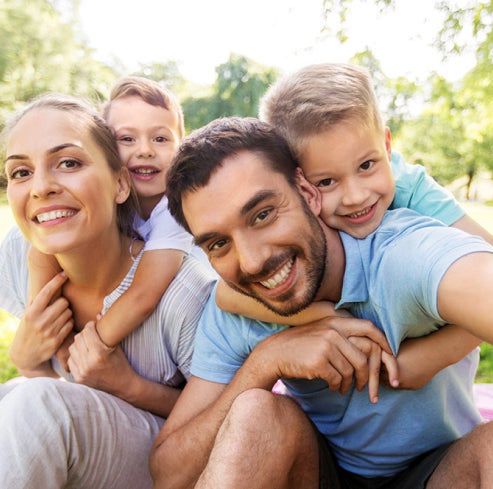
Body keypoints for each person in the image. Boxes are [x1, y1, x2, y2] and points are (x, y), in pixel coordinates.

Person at [150, 117, 493, 489]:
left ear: (307, 191)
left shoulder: (400, 256)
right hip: (321, 472)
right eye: (219, 244)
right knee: (254, 412)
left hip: (442, 471)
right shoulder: (237, 309)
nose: (250, 262)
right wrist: (266, 361)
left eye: (263, 215)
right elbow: (169, 474)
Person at [215, 62, 493, 391]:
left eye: (366, 165)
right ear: (298, 184)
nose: (356, 196)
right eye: (327, 181)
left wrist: (433, 356)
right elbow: (226, 296)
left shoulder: (408, 185)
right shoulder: (294, 218)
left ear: (387, 147)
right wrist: (330, 320)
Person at [0, 93, 216, 488]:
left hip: (168, 451)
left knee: (37, 406)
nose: (41, 187)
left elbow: (220, 414)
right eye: (20, 172)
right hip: (85, 432)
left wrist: (125, 385)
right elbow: (58, 385)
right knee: (12, 397)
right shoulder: (20, 252)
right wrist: (29, 361)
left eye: (68, 163)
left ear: (120, 183)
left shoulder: (184, 286)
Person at [26, 76, 198, 351]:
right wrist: (40, 324)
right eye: (127, 138)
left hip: (184, 325)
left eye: (161, 138)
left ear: (181, 147)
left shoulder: (176, 208)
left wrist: (86, 349)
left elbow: (144, 295)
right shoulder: (106, 197)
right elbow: (40, 253)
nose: (145, 150)